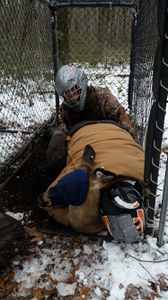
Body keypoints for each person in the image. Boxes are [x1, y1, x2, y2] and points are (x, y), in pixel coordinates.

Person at [47, 64, 135, 174]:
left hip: (108, 139)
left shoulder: (105, 98)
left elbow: (127, 128)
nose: (73, 96)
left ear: (82, 84)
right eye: (68, 94)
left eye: (75, 90)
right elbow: (66, 133)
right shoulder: (65, 110)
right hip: (82, 144)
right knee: (53, 162)